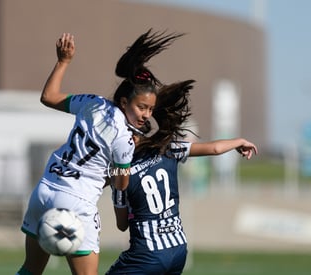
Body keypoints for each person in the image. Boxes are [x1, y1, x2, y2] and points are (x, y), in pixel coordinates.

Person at [16, 29, 184, 275]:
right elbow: (121, 182)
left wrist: (63, 61)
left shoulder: (93, 103)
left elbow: (48, 97)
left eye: (150, 109)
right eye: (142, 107)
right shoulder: (124, 140)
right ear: (124, 102)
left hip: (45, 190)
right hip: (77, 202)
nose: (147, 115)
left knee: (30, 270)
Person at [106, 80, 258, 275]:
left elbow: (122, 225)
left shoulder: (120, 175)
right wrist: (239, 141)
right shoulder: (166, 149)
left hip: (147, 254)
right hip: (178, 249)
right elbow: (214, 148)